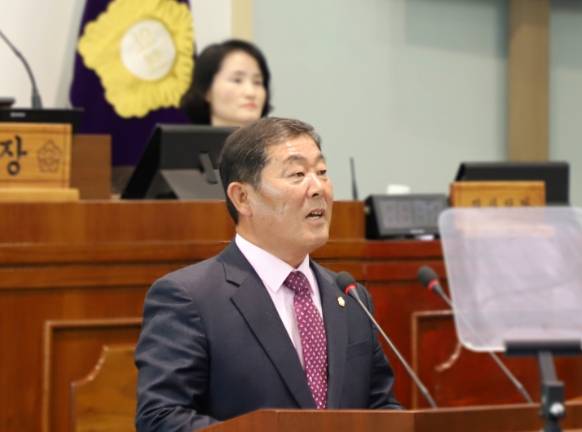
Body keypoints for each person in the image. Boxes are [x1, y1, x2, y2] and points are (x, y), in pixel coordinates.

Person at [135, 118, 402, 432]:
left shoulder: (350, 297)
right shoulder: (189, 298)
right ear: (242, 198)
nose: (318, 187)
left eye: (322, 172)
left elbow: (381, 408)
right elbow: (161, 418)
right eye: (297, 174)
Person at [180, 39, 271, 127]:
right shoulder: (182, 138)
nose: (250, 93)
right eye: (237, 80)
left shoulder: (277, 137)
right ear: (207, 90)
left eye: (257, 82)